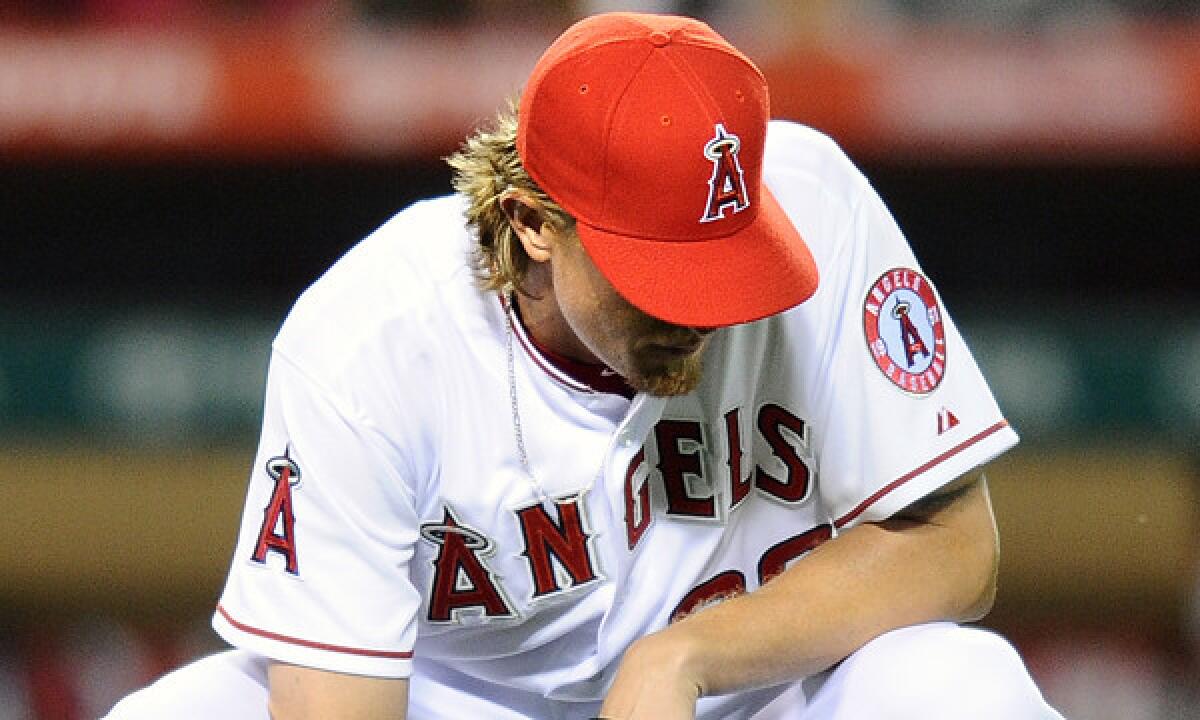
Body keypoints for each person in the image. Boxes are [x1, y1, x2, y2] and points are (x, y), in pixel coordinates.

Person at [105, 11, 1064, 720]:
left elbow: (954, 546)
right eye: (659, 271)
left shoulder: (819, 202)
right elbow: (339, 703)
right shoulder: (371, 340)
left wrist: (682, 656)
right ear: (532, 224)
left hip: (750, 697)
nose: (701, 309)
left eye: (723, 257)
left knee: (959, 686)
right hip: (454, 706)